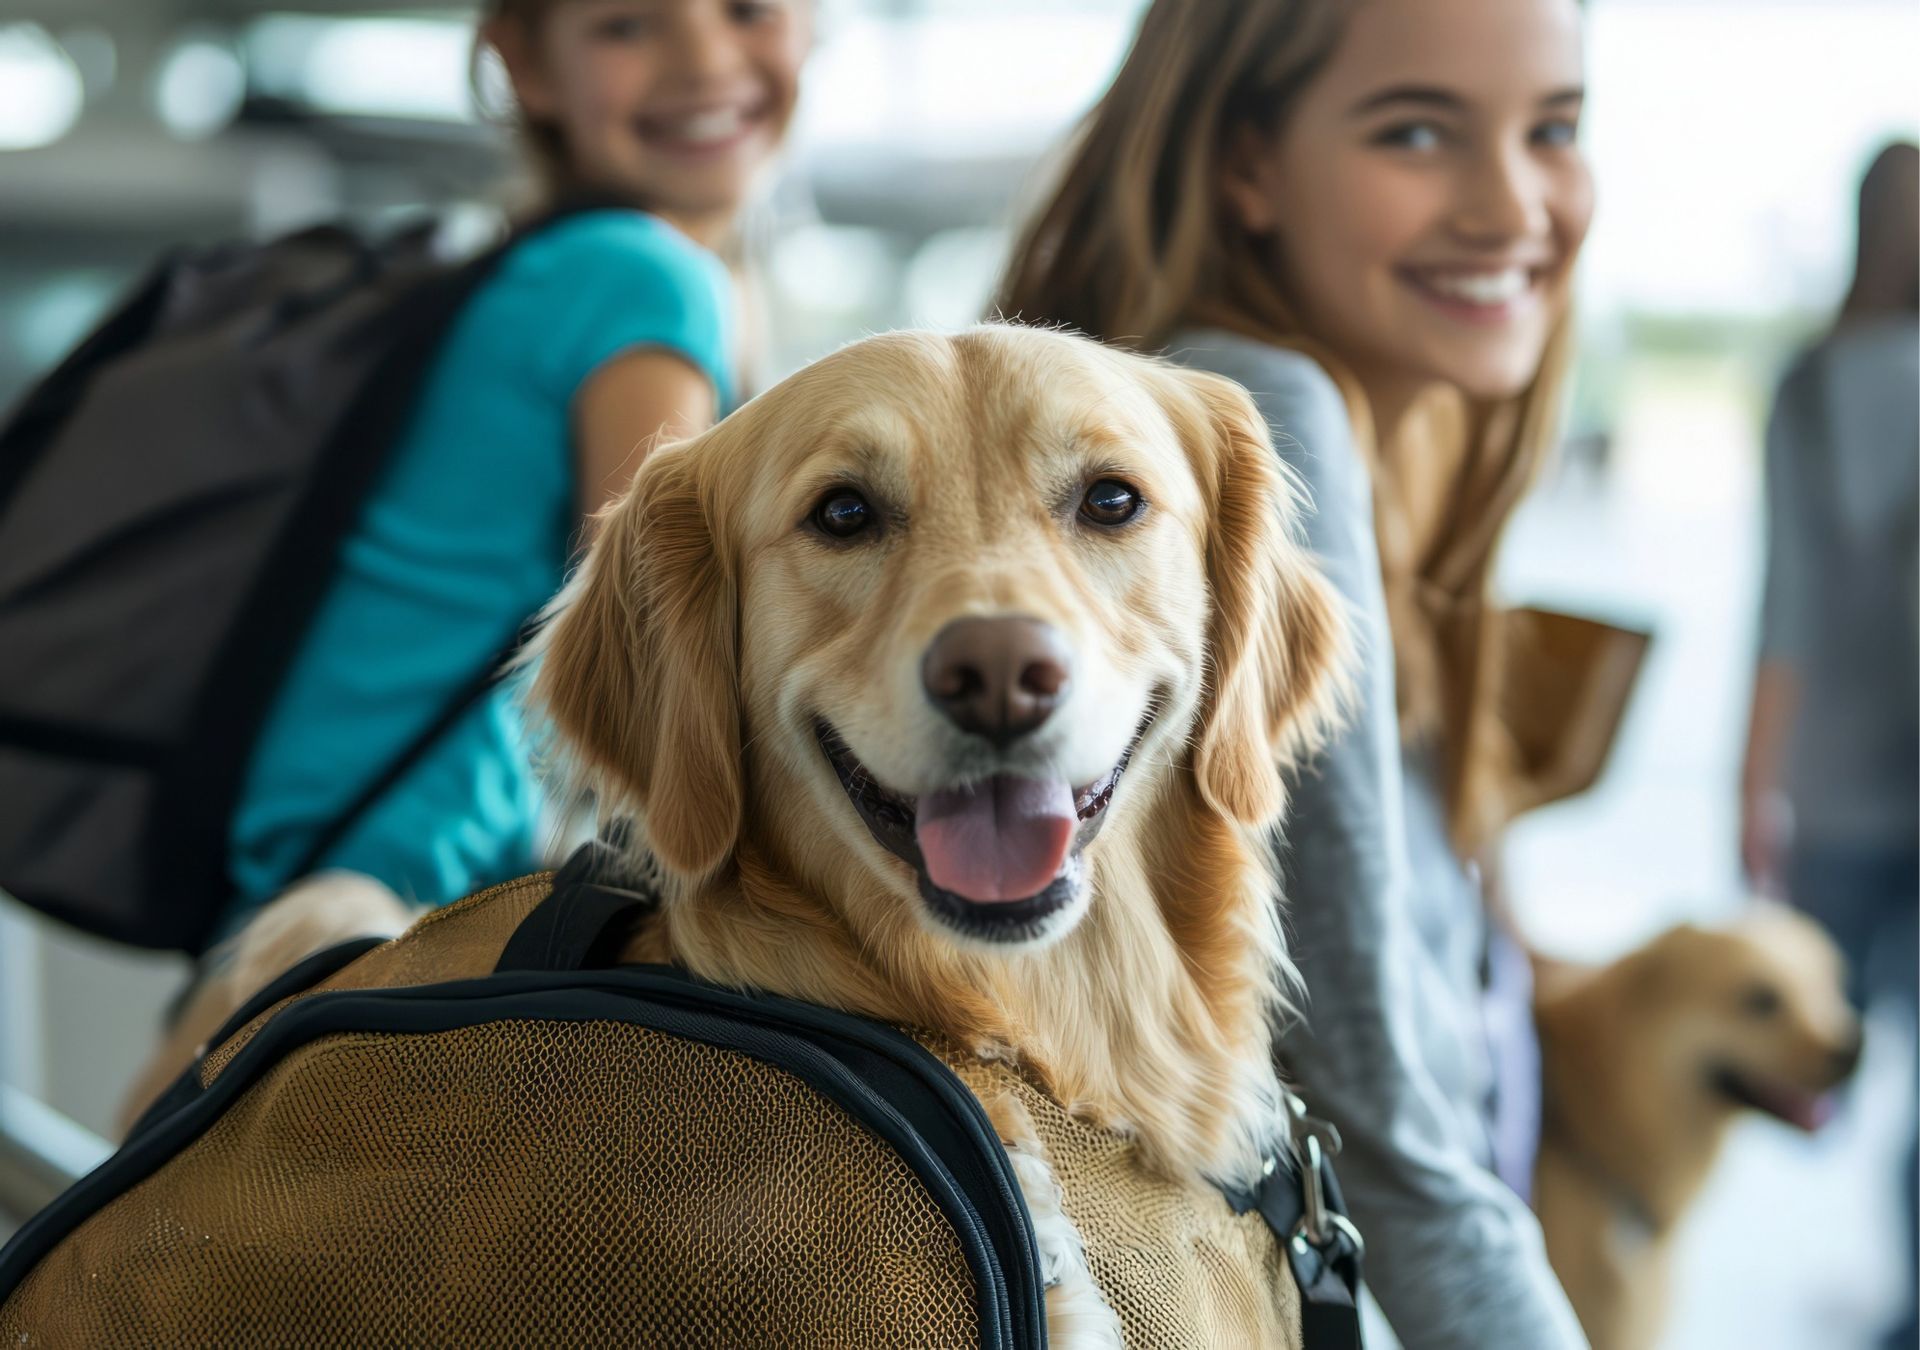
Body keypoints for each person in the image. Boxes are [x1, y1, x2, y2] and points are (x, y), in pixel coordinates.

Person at [1000, 0, 1605, 1344]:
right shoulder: (1267, 404)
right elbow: (1371, 1107)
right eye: (1417, 132)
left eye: (1554, 128)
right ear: (1247, 166)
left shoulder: (1358, 421)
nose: (1513, 203)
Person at [221, 0, 810, 935]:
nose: (704, 61)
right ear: (524, 64)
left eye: (747, 10)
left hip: (324, 876)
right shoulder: (642, 277)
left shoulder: (538, 264)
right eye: (626, 26)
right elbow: (659, 655)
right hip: (396, 902)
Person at [1741, 139, 1919, 1350]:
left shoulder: (1810, 383)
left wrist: (1754, 787)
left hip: (1836, 792)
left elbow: (1786, 604)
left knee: (1820, 1055)